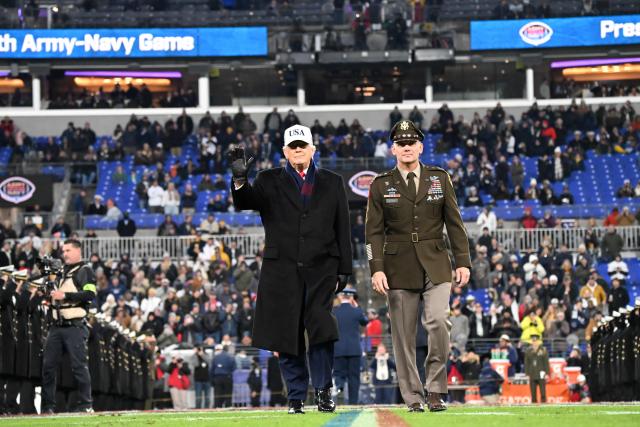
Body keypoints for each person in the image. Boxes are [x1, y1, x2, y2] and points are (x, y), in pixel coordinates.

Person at [230, 124, 352, 414]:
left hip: (322, 267)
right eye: (292, 146)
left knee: (322, 329)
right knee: (287, 334)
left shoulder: (332, 181)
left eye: (303, 145)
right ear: (284, 151)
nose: (298, 150)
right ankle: (296, 396)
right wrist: (238, 179)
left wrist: (344, 267)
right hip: (281, 268)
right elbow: (246, 202)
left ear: (313, 149)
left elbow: (343, 226)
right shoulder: (267, 179)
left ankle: (323, 391)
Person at [365, 120, 471, 413]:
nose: (407, 147)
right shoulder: (380, 184)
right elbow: (372, 232)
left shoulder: (440, 178)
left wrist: (463, 261)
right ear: (393, 149)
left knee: (438, 322)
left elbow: (455, 223)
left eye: (412, 142)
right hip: (397, 266)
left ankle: (436, 389)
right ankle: (413, 396)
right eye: (401, 143)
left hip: (436, 262)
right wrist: (376, 268)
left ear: (421, 147)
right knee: (403, 336)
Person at [41, 239, 96, 414]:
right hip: (56, 326)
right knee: (48, 367)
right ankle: (47, 406)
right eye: (63, 251)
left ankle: (86, 404)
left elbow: (89, 294)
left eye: (68, 250)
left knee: (79, 366)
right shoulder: (61, 272)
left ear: (78, 251)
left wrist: (64, 295)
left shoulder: (85, 270)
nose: (64, 254)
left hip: (75, 326)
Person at [333, 287, 368, 405]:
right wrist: (357, 307)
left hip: (338, 349)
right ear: (351, 297)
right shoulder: (356, 311)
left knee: (338, 373)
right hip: (354, 349)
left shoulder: (334, 311)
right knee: (354, 377)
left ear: (340, 296)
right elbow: (365, 321)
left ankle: (339, 385)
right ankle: (353, 402)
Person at [524, 334, 549, 403]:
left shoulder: (543, 350)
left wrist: (547, 373)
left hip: (541, 373)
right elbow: (526, 363)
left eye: (536, 341)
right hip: (532, 373)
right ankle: (534, 405)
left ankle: (544, 404)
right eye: (533, 341)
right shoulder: (528, 351)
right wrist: (527, 373)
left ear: (538, 341)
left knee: (543, 392)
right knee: (533, 393)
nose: (534, 342)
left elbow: (546, 362)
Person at [209, 344, 236, 408]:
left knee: (218, 393)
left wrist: (212, 380)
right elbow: (234, 368)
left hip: (217, 377)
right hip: (227, 377)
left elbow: (211, 370)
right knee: (228, 393)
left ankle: (218, 406)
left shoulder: (216, 357)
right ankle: (228, 406)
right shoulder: (231, 357)